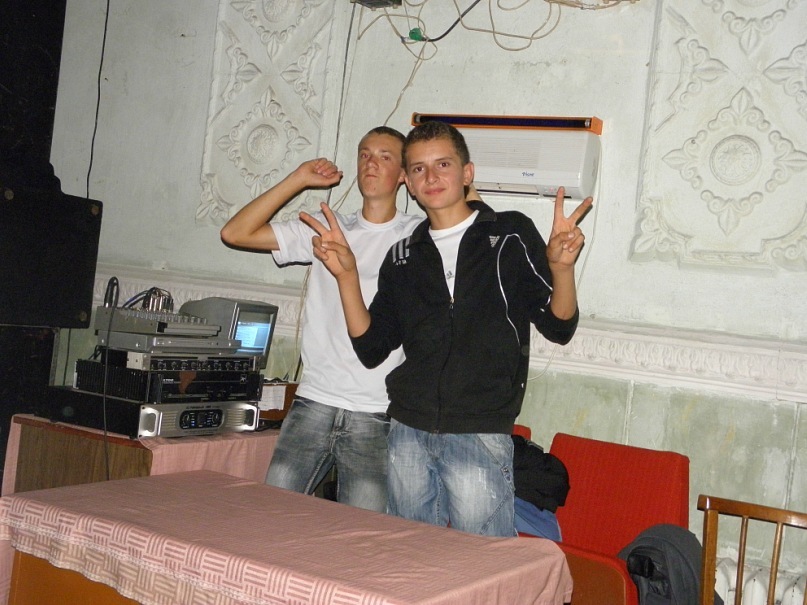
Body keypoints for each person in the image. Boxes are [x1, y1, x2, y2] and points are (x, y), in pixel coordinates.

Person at [300, 120, 592, 536]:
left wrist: (562, 269)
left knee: (481, 561)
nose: (431, 177)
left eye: (443, 164)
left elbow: (558, 325)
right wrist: (347, 276)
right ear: (408, 182)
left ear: (466, 173)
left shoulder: (509, 234)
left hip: (479, 430)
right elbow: (372, 346)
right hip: (407, 432)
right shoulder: (403, 254)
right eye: (419, 168)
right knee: (412, 556)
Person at [220, 126, 422, 512]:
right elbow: (235, 233)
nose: (371, 163)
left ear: (403, 175)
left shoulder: (416, 236)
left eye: (384, 156)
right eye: (364, 154)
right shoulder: (326, 227)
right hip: (315, 400)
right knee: (270, 516)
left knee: (360, 534)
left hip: (377, 409)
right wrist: (298, 179)